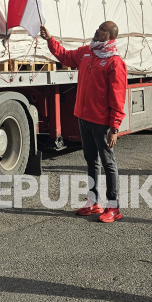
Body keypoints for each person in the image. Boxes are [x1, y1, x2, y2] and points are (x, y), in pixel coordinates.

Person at [39, 21, 127, 223]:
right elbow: (65, 56)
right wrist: (50, 40)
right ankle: (94, 201)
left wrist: (114, 127)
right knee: (90, 160)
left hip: (102, 122)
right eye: (98, 28)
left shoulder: (114, 62)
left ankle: (113, 207)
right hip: (84, 118)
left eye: (102, 30)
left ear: (110, 37)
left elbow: (117, 96)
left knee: (108, 163)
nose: (97, 31)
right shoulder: (87, 52)